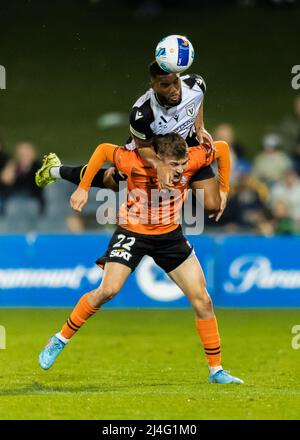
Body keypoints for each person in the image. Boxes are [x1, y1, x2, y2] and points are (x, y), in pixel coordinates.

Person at [39, 133, 243, 384]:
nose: (180, 171)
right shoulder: (134, 161)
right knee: (108, 290)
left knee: (203, 301)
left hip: (169, 237)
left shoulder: (190, 159)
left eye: (183, 164)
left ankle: (216, 371)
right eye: (174, 165)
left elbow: (221, 149)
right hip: (132, 232)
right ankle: (59, 339)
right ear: (158, 159)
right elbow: (103, 149)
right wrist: (82, 189)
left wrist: (224, 189)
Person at [36, 61, 227, 220]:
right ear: (153, 85)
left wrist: (199, 127)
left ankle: (180, 179)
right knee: (111, 182)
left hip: (184, 147)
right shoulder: (142, 114)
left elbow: (198, 100)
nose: (174, 90)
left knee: (212, 205)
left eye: (175, 82)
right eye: (165, 85)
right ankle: (55, 170)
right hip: (151, 152)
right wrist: (160, 165)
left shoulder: (195, 84)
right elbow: (142, 148)